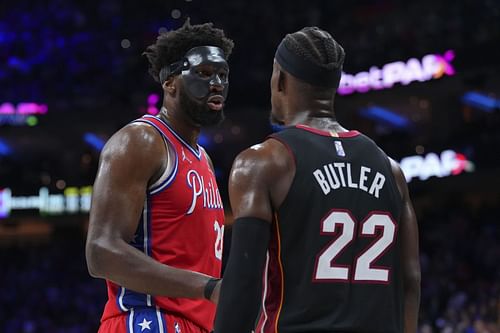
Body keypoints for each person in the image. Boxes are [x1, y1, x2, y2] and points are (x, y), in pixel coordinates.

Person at [215, 27, 420, 333]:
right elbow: (410, 279)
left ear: (280, 79)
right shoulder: (391, 170)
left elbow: (244, 282)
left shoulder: (265, 162)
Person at [86, 20, 233, 333]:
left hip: (195, 323)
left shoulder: (202, 158)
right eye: (204, 73)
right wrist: (208, 287)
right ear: (170, 83)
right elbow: (100, 251)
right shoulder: (142, 142)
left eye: (222, 74)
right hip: (147, 320)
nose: (217, 83)